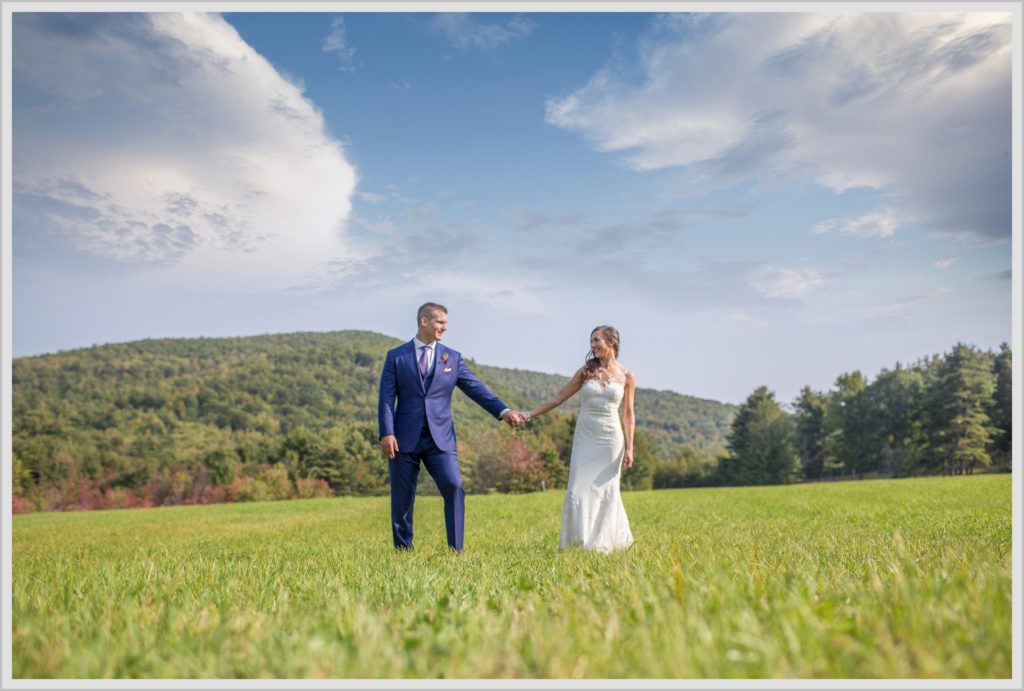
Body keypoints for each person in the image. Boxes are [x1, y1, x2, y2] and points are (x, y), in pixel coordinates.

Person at [378, 302, 524, 551]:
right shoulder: (396, 357)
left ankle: (456, 549)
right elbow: (385, 398)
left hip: (441, 439)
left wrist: (503, 410)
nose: (444, 327)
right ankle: (403, 550)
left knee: (454, 486)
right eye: (440, 322)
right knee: (402, 498)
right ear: (424, 321)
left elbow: (476, 388)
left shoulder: (452, 358)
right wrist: (387, 432)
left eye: (445, 323)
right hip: (403, 438)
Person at [519, 326, 635, 553]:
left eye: (596, 340)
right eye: (591, 341)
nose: (592, 345)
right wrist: (528, 414)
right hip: (586, 436)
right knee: (577, 489)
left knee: (606, 489)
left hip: (611, 438)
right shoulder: (586, 372)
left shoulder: (627, 376)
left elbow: (629, 414)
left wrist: (630, 448)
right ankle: (576, 542)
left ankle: (603, 544)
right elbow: (558, 398)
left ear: (611, 342)